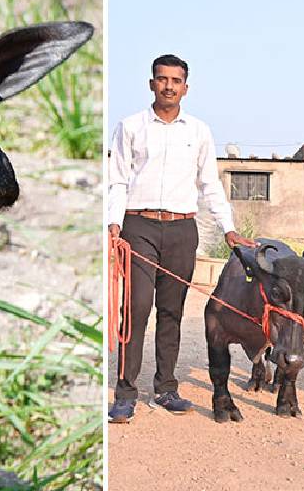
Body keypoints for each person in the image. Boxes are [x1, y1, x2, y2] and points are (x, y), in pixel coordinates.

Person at [107, 54, 254, 423]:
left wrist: (229, 228)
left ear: (186, 88)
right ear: (151, 83)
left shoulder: (198, 132)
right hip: (138, 226)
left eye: (175, 80)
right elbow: (117, 179)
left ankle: (166, 389)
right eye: (162, 79)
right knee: (137, 309)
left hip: (181, 229)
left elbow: (210, 185)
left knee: (171, 312)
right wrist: (112, 223)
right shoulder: (130, 127)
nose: (168, 86)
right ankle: (125, 393)